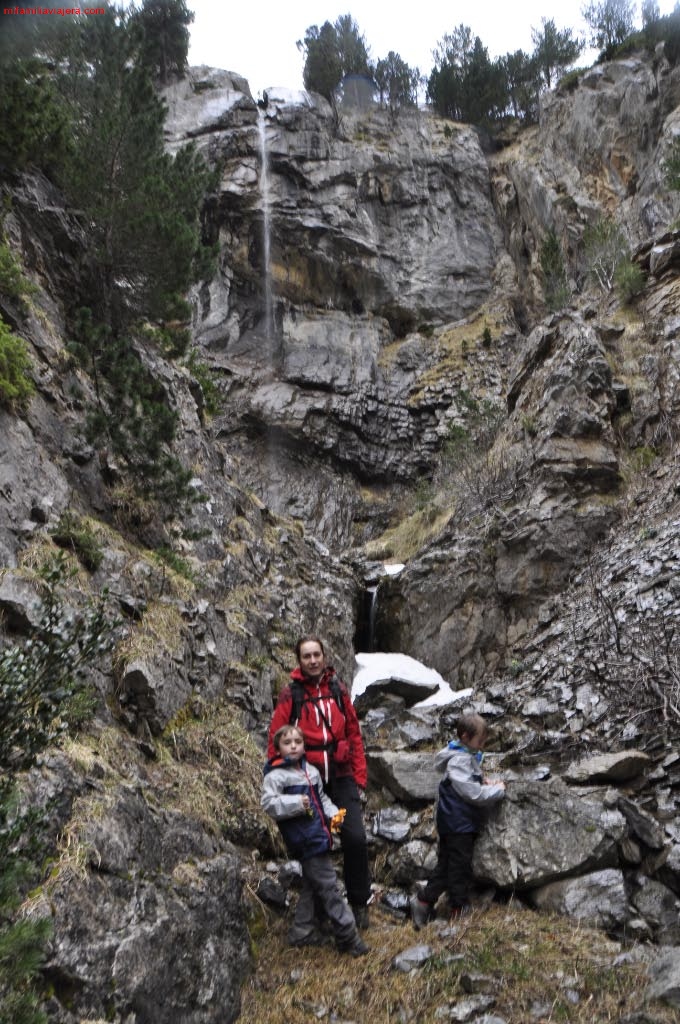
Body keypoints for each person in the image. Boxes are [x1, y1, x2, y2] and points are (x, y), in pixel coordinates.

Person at [267, 635, 371, 929]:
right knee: (317, 846)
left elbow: (353, 733)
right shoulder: (292, 694)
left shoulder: (338, 689)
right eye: (306, 656)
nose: (312, 660)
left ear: (324, 657)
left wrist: (358, 776)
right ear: (299, 661)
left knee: (355, 838)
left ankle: (359, 903)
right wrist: (280, 778)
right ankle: (322, 911)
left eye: (316, 655)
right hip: (308, 782)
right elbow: (276, 738)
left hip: (341, 775)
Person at [261, 724, 369, 957]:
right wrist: (296, 804)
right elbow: (269, 804)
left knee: (313, 884)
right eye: (287, 743)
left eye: (297, 742)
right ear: (278, 748)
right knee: (330, 886)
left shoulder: (310, 771)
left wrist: (333, 814)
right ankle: (348, 936)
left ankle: (301, 931)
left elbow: (321, 799)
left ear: (304, 746)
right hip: (303, 839)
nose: (293, 746)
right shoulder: (276, 776)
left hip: (318, 835)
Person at [410, 712, 505, 928]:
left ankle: (424, 901)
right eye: (479, 741)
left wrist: (484, 781)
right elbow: (472, 793)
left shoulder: (464, 755)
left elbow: (470, 782)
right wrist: (497, 791)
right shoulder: (459, 761)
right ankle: (458, 908)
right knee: (459, 867)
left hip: (454, 822)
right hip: (458, 824)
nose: (482, 745)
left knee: (446, 865)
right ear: (464, 737)